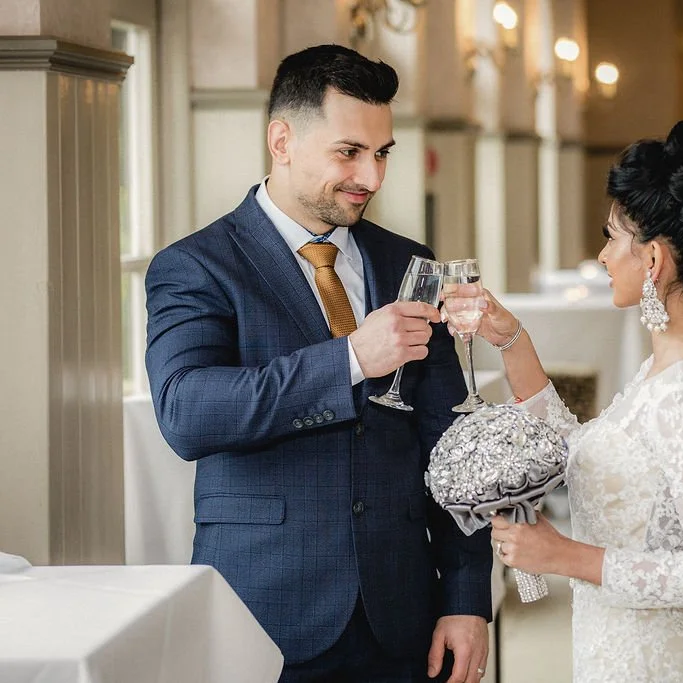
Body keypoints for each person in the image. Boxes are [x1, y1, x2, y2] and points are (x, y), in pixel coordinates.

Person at [145, 44, 492, 683]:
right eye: (349, 152)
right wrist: (351, 359)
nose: (372, 176)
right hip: (262, 611)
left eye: (382, 154)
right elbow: (188, 413)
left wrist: (468, 598)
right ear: (282, 140)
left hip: (403, 613)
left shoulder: (407, 261)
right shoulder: (196, 265)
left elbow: (453, 448)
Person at [447, 121, 683, 682]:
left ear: (653, 261)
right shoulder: (665, 370)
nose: (601, 255)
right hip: (616, 651)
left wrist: (564, 556)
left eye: (613, 236)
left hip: (655, 663)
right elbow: (585, 450)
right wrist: (512, 339)